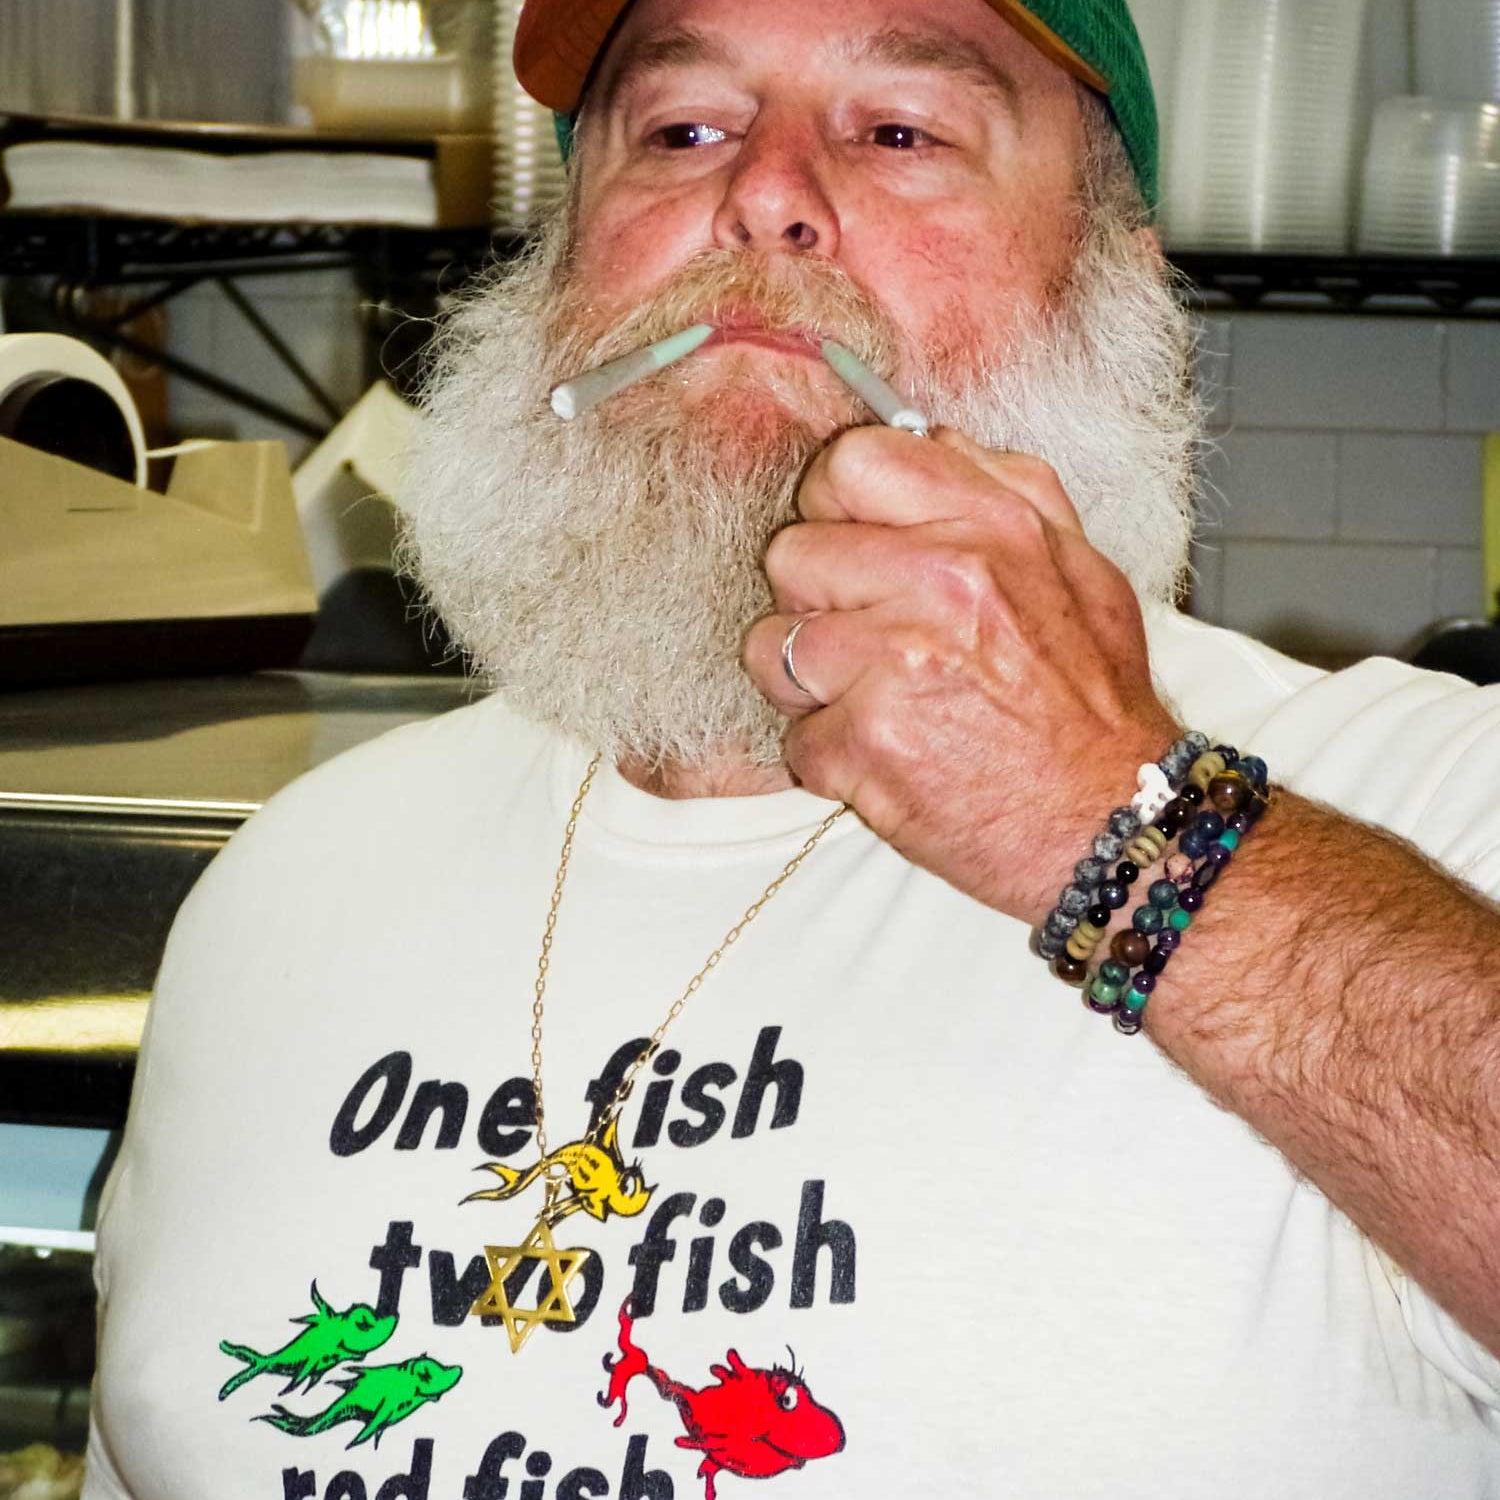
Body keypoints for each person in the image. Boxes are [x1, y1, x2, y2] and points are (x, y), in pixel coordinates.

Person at [84, 2, 1500, 1496]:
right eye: (682, 130)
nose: (761, 193)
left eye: (900, 133)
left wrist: (1115, 825)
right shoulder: (290, 882)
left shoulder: (1424, 798)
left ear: (1115, 277)